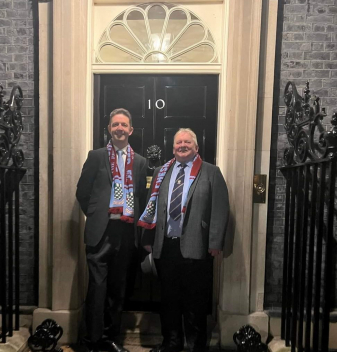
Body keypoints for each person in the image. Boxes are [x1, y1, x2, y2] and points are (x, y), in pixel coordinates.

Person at [138, 128, 229, 352]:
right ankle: (172, 343)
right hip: (165, 245)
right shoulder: (161, 172)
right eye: (179, 142)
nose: (182, 145)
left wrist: (215, 242)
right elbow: (152, 206)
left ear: (196, 147)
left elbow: (220, 208)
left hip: (196, 246)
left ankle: (196, 345)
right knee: (169, 300)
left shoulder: (211, 172)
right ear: (173, 147)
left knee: (195, 302)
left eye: (187, 142)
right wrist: (148, 237)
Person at [76, 108, 147, 352]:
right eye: (115, 124)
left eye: (123, 125)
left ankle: (110, 338)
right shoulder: (96, 156)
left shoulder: (140, 162)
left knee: (118, 289)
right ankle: (92, 340)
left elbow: (140, 194)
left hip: (126, 232)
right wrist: (96, 215)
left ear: (130, 130)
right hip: (101, 230)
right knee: (97, 287)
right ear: (109, 129)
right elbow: (82, 192)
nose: (119, 128)